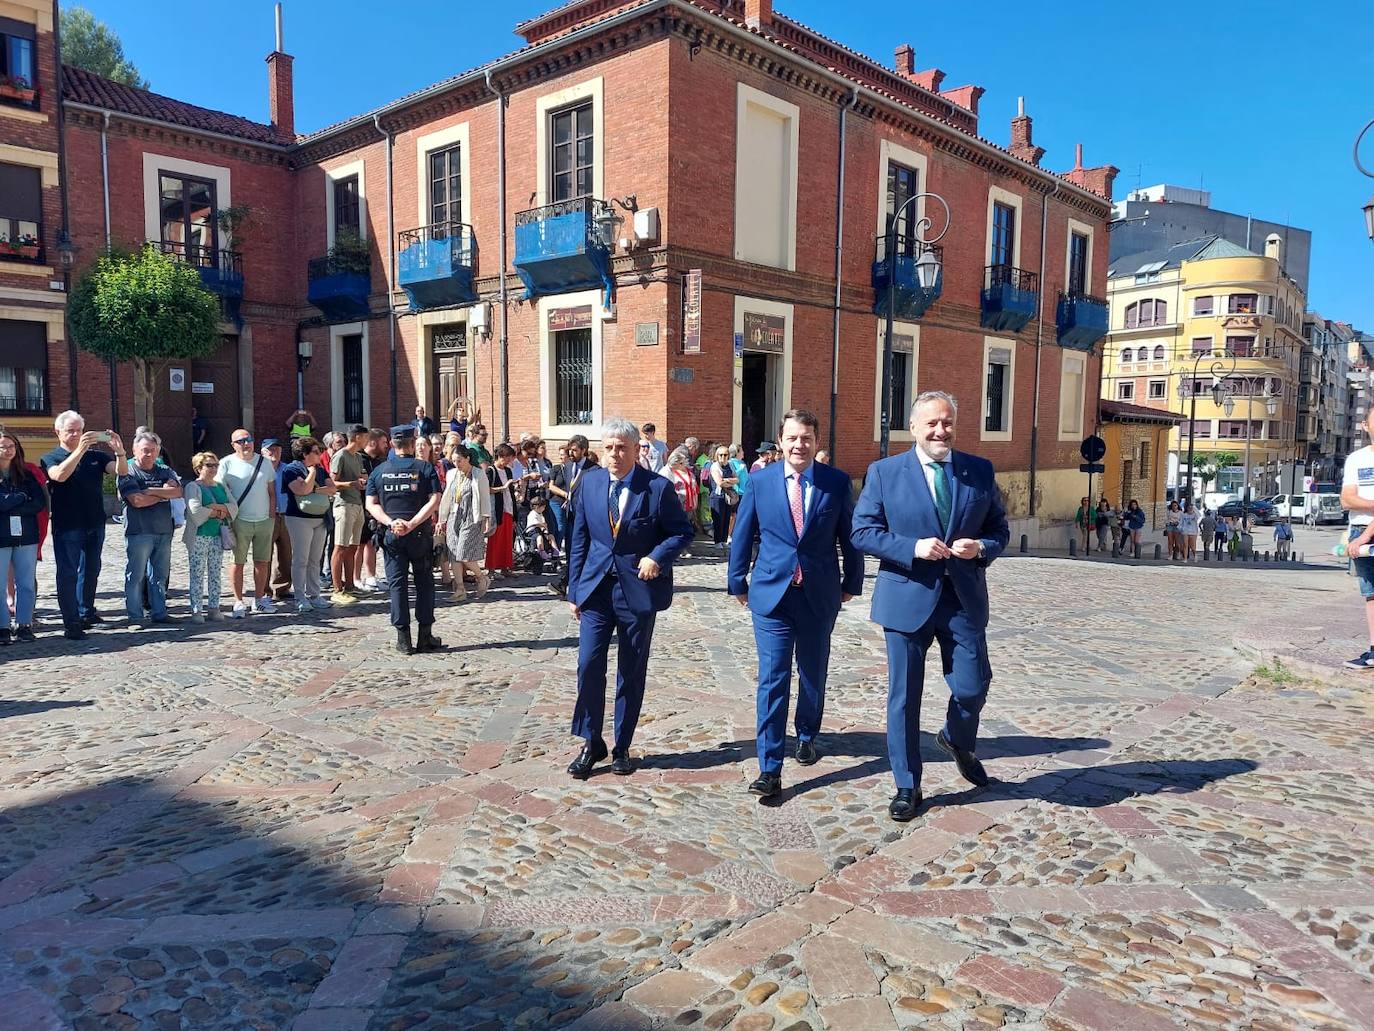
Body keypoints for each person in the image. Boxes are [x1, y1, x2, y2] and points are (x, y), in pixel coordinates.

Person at [851, 391, 1010, 823]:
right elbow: (862, 533)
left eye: (947, 423)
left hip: (962, 598)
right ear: (914, 427)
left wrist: (981, 547)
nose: (941, 431)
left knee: (973, 685)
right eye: (932, 424)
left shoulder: (979, 470)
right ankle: (907, 783)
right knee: (905, 698)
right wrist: (912, 548)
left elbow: (999, 529)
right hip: (906, 597)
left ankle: (956, 739)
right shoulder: (884, 473)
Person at [728, 410, 863, 800]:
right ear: (781, 440)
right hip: (772, 596)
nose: (799, 445)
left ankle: (807, 733)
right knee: (772, 679)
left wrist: (852, 581)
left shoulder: (836, 483)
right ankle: (770, 767)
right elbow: (744, 533)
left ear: (816, 441)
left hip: (819, 594)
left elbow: (850, 537)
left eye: (806, 438)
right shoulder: (760, 481)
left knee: (812, 672)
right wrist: (737, 580)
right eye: (792, 438)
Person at [565, 417, 694, 779]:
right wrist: (574, 589)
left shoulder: (656, 488)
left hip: (637, 591)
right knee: (588, 665)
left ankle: (622, 745)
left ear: (637, 450)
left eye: (622, 448)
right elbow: (579, 539)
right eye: (608, 448)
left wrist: (657, 556)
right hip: (595, 591)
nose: (614, 455)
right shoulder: (589, 483)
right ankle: (591, 741)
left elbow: (682, 532)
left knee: (630, 670)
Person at [41, 412, 128, 639]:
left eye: (79, 430)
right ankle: (71, 622)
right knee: (68, 574)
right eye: (70, 430)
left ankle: (86, 612)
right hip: (68, 525)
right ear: (57, 432)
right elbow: (59, 476)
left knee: (91, 570)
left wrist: (119, 450)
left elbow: (121, 471)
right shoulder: (51, 457)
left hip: (95, 522)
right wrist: (79, 451)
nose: (76, 434)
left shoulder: (96, 457)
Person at [365, 425, 444, 653]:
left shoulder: (379, 471)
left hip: (392, 535)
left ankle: (403, 640)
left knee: (398, 586)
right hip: (418, 535)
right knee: (424, 584)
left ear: (391, 443)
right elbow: (434, 500)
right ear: (412, 443)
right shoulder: (424, 468)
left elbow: (371, 504)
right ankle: (425, 636)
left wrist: (392, 522)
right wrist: (413, 523)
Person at [119, 431, 182, 626]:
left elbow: (178, 491)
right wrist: (164, 494)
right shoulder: (126, 471)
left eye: (154, 451)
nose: (150, 454)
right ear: (134, 450)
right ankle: (135, 616)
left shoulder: (164, 469)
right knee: (136, 575)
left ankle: (159, 612)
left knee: (159, 576)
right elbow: (136, 501)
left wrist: (151, 491)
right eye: (145, 450)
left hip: (163, 530)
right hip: (139, 531)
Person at [217, 429, 277, 617]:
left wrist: (271, 515)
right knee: (238, 561)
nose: (246, 443)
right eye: (241, 441)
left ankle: (259, 599)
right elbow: (220, 489)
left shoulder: (264, 462)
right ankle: (238, 601)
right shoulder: (226, 463)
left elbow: (271, 491)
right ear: (233, 444)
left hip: (264, 520)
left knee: (262, 561)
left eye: (249, 439)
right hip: (239, 520)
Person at [280, 436, 337, 615]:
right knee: (301, 559)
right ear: (304, 454)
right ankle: (300, 597)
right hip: (298, 518)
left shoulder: (321, 470)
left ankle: (314, 595)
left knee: (315, 559)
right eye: (315, 451)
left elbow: (332, 488)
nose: (320, 454)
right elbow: (301, 490)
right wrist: (311, 474)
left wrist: (313, 488)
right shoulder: (291, 469)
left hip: (319, 518)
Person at [0, 432, 48, 645]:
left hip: (26, 536)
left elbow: (38, 502)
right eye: (3, 446)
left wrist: (9, 503)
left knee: (26, 583)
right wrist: (20, 497)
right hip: (0, 537)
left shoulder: (26, 475)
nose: (8, 450)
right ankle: (2, 626)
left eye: (11, 446)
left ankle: (23, 624)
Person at [183, 451, 235, 622]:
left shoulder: (220, 486)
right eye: (209, 465)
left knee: (215, 573)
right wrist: (218, 510)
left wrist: (215, 508)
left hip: (217, 535)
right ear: (199, 468)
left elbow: (233, 507)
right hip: (199, 535)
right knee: (197, 573)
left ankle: (214, 607)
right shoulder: (193, 487)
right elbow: (195, 511)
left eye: (215, 465)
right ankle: (196, 610)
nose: (213, 469)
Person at [1340, 409, 1374, 668]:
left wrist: (1364, 536)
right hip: (1359, 529)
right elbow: (1346, 499)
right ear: (1365, 425)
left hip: (1364, 533)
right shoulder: (1356, 459)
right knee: (1371, 592)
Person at [438, 444, 491, 602]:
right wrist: (442, 519)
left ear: (467, 458)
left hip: (471, 516)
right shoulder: (452, 474)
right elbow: (447, 496)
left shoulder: (478, 474)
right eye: (454, 461)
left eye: (459, 460)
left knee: (463, 553)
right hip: (454, 517)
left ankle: (481, 577)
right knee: (453, 553)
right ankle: (460, 589)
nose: (456, 464)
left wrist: (486, 518)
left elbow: (485, 497)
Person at [329, 424, 369, 605]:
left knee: (353, 547)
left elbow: (363, 475)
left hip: (357, 504)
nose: (367, 441)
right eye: (365, 437)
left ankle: (350, 586)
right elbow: (332, 483)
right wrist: (352, 484)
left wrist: (364, 480)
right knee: (340, 547)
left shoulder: (358, 457)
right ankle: (337, 589)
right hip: (343, 505)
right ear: (358, 437)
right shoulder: (340, 456)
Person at [263, 439, 293, 601]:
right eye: (271, 449)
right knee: (265, 554)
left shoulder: (287, 469)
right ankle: (264, 590)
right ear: (262, 452)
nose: (274, 452)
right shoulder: (259, 470)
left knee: (286, 554)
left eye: (277, 449)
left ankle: (282, 588)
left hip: (286, 515)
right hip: (266, 516)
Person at [485, 444, 519, 577]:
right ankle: (492, 569)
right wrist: (502, 488)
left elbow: (510, 492)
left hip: (508, 507)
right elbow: (486, 489)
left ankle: (505, 567)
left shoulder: (508, 471)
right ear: (500, 456)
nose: (509, 461)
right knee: (495, 539)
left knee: (507, 539)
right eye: (508, 458)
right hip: (496, 509)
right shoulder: (490, 471)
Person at [707, 444, 739, 546]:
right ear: (717, 455)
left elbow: (737, 479)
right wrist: (729, 481)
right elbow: (719, 482)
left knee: (726, 518)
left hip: (728, 496)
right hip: (717, 496)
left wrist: (726, 480)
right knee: (718, 519)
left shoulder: (730, 465)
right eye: (720, 455)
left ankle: (724, 540)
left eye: (725, 455)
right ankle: (717, 541)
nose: (723, 457)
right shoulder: (714, 466)